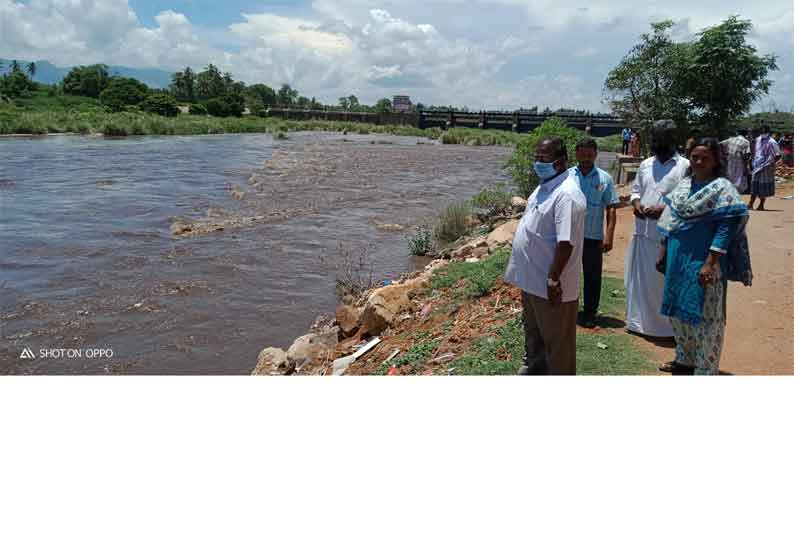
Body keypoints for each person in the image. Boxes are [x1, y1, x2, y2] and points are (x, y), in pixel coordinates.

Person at [656, 138, 752, 375]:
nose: (698, 161)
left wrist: (710, 263)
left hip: (705, 260)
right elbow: (671, 222)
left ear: (717, 160)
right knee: (679, 312)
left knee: (707, 316)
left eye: (705, 158)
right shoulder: (684, 184)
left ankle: (706, 367)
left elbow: (725, 229)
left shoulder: (722, 189)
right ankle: (685, 359)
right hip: (678, 257)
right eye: (695, 157)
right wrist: (663, 251)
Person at [504, 137, 587, 375]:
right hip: (532, 281)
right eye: (536, 157)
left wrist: (553, 280)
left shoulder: (567, 195)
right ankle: (534, 369)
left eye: (543, 158)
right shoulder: (545, 185)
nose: (538, 162)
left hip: (552, 285)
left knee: (558, 344)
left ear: (560, 162)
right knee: (534, 335)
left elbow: (565, 243)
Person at [625, 119, 689, 339]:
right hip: (642, 231)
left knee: (662, 282)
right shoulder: (645, 164)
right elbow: (635, 191)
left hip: (667, 235)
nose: (656, 141)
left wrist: (664, 209)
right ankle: (638, 323)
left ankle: (665, 329)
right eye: (655, 137)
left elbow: (688, 197)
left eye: (661, 137)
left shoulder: (684, 166)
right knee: (641, 281)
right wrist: (636, 205)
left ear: (672, 139)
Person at [570, 138, 620, 328]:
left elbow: (611, 208)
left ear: (596, 155)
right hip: (570, 235)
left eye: (589, 155)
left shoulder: (605, 178)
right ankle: (569, 308)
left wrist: (609, 235)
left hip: (593, 236)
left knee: (592, 275)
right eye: (582, 154)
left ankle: (590, 312)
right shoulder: (567, 176)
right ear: (576, 154)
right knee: (568, 273)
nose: (585, 158)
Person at [749, 124, 781, 211]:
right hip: (757, 165)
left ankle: (761, 205)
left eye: (764, 132)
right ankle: (750, 204)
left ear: (768, 132)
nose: (763, 133)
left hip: (766, 167)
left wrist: (771, 163)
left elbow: (778, 155)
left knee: (763, 186)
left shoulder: (772, 142)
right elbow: (754, 150)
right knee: (754, 184)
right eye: (762, 131)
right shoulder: (758, 139)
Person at [720, 128, 751, 193]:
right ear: (746, 134)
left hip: (730, 160)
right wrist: (746, 166)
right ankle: (736, 193)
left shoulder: (731, 139)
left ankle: (729, 192)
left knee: (730, 176)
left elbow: (720, 144)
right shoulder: (746, 142)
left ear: (737, 133)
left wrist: (723, 154)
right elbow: (746, 155)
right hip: (740, 162)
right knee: (738, 179)